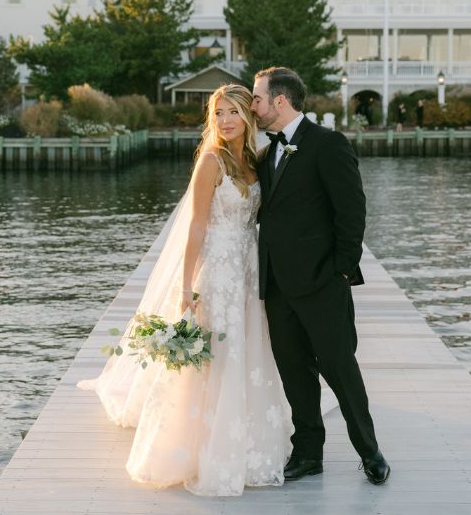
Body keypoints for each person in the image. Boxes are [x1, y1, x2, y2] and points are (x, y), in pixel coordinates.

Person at [79, 85, 291, 495]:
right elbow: (195, 225)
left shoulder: (254, 160)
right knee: (215, 354)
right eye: (219, 113)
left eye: (233, 112)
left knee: (249, 348)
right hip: (217, 270)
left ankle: (250, 438)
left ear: (248, 116)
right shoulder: (211, 160)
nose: (226, 120)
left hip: (249, 270)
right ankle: (199, 444)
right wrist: (185, 286)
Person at [251, 68, 390, 488]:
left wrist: (341, 271)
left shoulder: (328, 145)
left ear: (280, 101)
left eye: (257, 98)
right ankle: (309, 454)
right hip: (276, 286)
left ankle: (370, 452)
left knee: (340, 370)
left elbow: (352, 211)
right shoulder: (264, 153)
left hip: (321, 283)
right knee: (295, 373)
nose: (253, 106)